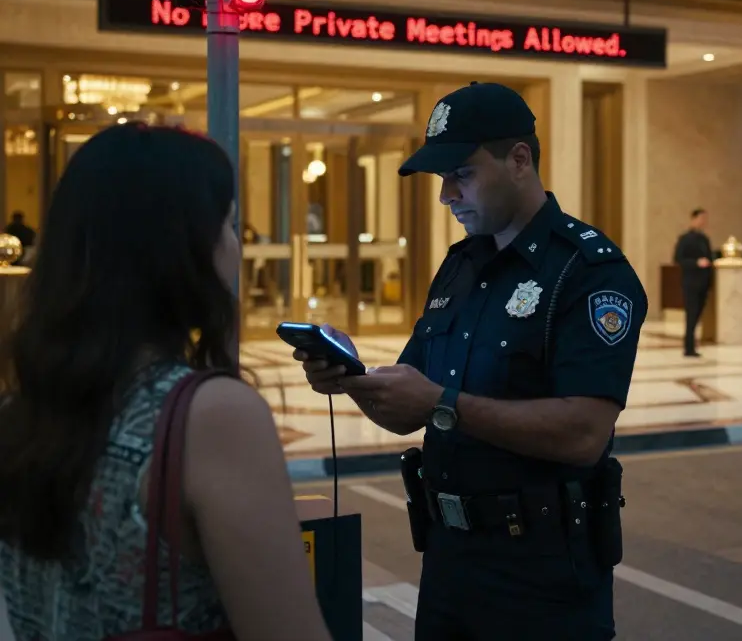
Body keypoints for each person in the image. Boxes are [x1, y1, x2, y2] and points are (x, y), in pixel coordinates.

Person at [297, 82, 648, 641]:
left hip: (544, 579)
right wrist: (354, 378)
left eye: (461, 174)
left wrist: (443, 405)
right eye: (442, 180)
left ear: (519, 160)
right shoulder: (461, 268)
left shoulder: (587, 272)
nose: (447, 196)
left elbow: (584, 432)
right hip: (448, 565)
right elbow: (407, 410)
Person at [0, 123, 331, 641]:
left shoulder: (20, 412)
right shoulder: (213, 416)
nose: (236, 247)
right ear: (184, 249)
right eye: (229, 224)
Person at [673, 208, 713, 356]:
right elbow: (678, 259)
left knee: (698, 315)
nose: (703, 222)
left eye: (705, 219)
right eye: (701, 218)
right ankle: (688, 347)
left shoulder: (705, 239)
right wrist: (696, 262)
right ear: (694, 219)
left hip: (703, 282)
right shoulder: (685, 239)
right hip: (690, 283)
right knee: (691, 314)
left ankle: (692, 345)